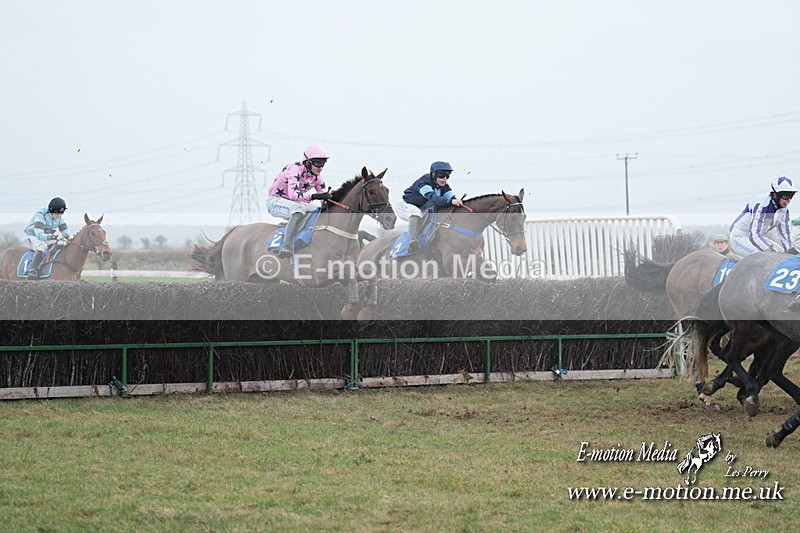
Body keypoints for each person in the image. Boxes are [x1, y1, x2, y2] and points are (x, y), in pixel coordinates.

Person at [266, 145, 332, 258]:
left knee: (318, 210)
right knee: (299, 209)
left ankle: (301, 233)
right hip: (276, 201)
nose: (320, 167)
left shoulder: (317, 178)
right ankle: (285, 245)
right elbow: (293, 195)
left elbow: (324, 198)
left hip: (295, 203)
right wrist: (315, 196)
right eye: (317, 163)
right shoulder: (295, 169)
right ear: (307, 162)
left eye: (323, 164)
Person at [397, 161, 464, 253]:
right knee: (416, 213)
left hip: (422, 208)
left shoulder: (444, 186)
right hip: (406, 206)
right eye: (441, 176)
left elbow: (452, 199)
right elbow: (434, 198)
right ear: (433, 174)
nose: (444, 179)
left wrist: (458, 203)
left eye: (447, 176)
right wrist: (451, 201)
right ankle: (413, 240)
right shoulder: (424, 182)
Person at [729, 176, 796, 257]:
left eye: (791, 196)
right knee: (767, 258)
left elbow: (785, 235)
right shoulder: (762, 204)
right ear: (775, 194)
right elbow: (755, 234)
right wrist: (772, 251)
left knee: (783, 256)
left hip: (756, 238)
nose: (788, 200)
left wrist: (792, 254)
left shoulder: (784, 210)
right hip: (740, 238)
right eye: (785, 196)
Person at [23, 197, 74, 278]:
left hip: (45, 234)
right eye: (57, 214)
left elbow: (66, 232)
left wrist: (71, 238)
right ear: (51, 210)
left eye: (61, 213)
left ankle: (48, 264)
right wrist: (54, 236)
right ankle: (33, 270)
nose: (59, 216)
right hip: (32, 235)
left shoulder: (60, 219)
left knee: (60, 243)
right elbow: (39, 235)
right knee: (42, 246)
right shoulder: (40, 215)